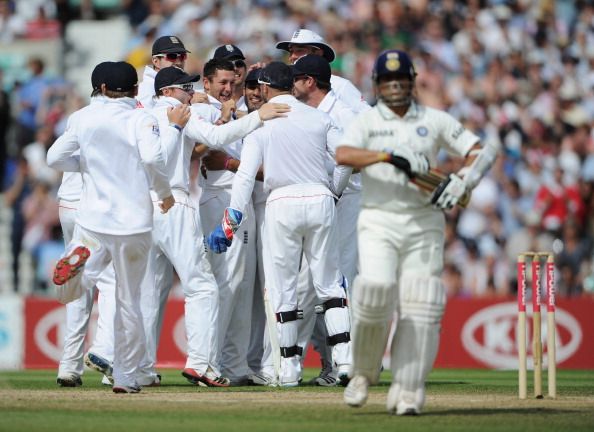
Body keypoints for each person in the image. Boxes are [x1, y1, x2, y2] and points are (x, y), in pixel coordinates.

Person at [336, 49, 496, 415]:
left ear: (412, 83)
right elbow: (343, 154)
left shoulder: (434, 120)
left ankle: (408, 390)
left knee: (421, 304)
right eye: (388, 81)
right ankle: (362, 372)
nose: (395, 87)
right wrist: (386, 155)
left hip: (424, 222)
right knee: (374, 292)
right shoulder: (367, 121)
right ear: (377, 85)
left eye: (401, 81)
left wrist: (463, 180)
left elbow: (479, 151)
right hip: (379, 219)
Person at [138, 65, 289, 388]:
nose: (191, 95)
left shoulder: (140, 115)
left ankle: (138, 367)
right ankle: (202, 365)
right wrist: (259, 116)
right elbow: (218, 138)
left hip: (140, 209)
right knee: (203, 287)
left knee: (147, 291)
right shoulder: (179, 113)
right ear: (166, 91)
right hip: (172, 202)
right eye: (185, 89)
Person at [207, 62, 353, 387]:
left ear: (267, 88)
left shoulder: (261, 125)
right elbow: (344, 159)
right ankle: (345, 362)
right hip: (319, 198)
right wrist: (334, 192)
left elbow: (244, 177)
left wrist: (231, 220)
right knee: (330, 284)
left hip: (280, 203)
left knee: (283, 289)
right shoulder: (319, 117)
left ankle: (287, 371)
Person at [47, 61, 180, 394]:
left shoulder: (82, 117)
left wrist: (85, 164)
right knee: (129, 299)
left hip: (91, 220)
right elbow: (152, 159)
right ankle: (124, 377)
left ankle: (79, 271)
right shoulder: (141, 118)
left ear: (102, 89)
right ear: (135, 90)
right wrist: (164, 194)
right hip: (132, 223)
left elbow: (54, 159)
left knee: (82, 286)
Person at [291, 54, 360, 386]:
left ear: (309, 82)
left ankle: (340, 366)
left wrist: (333, 192)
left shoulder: (342, 113)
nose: (289, 84)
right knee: (311, 284)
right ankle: (297, 363)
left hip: (343, 201)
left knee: (335, 283)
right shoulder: (313, 111)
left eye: (295, 77)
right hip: (325, 201)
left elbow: (346, 161)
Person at [276, 29, 370, 114]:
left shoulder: (341, 85)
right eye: (291, 52)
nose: (292, 56)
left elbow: (367, 117)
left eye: (299, 50)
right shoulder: (286, 86)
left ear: (318, 53)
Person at [137, 35, 190, 109]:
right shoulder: (147, 90)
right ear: (156, 61)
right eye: (172, 56)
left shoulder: (183, 81)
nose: (178, 62)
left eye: (182, 56)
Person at [212, 44, 248, 108]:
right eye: (228, 64)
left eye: (239, 63)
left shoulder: (255, 99)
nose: (235, 68)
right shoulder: (201, 99)